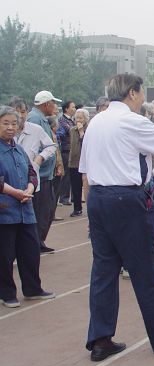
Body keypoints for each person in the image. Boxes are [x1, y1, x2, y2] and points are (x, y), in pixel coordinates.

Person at [80, 74, 154, 360]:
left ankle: (100, 339)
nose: (143, 97)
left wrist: (90, 209)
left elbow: (85, 171)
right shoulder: (132, 121)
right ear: (132, 93)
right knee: (147, 270)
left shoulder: (96, 122)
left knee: (104, 272)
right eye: (141, 92)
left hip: (98, 199)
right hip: (127, 200)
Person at [0, 106, 55, 308]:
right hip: (5, 210)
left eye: (14, 124)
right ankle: (6, 293)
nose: (10, 127)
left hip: (25, 208)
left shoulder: (18, 149)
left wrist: (30, 188)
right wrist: (15, 192)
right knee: (5, 255)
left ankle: (33, 288)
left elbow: (32, 172)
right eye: (5, 123)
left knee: (30, 251)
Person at [27, 90, 61, 253]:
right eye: (53, 103)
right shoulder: (35, 119)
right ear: (46, 104)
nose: (55, 106)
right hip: (39, 175)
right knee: (42, 209)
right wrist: (40, 160)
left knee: (47, 209)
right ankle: (35, 242)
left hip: (46, 173)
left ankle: (38, 241)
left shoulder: (42, 119)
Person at [68, 108, 89, 217]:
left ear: (85, 119)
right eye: (76, 118)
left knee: (87, 185)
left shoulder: (89, 129)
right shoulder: (72, 130)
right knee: (75, 187)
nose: (78, 120)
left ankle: (90, 207)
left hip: (86, 162)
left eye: (81, 118)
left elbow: (86, 143)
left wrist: (81, 131)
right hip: (74, 162)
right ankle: (77, 208)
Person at [56, 100, 76, 205]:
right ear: (66, 109)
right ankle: (64, 198)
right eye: (72, 107)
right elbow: (69, 131)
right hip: (65, 150)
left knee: (71, 175)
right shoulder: (62, 120)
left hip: (71, 150)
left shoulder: (71, 120)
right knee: (66, 175)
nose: (74, 109)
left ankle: (71, 197)